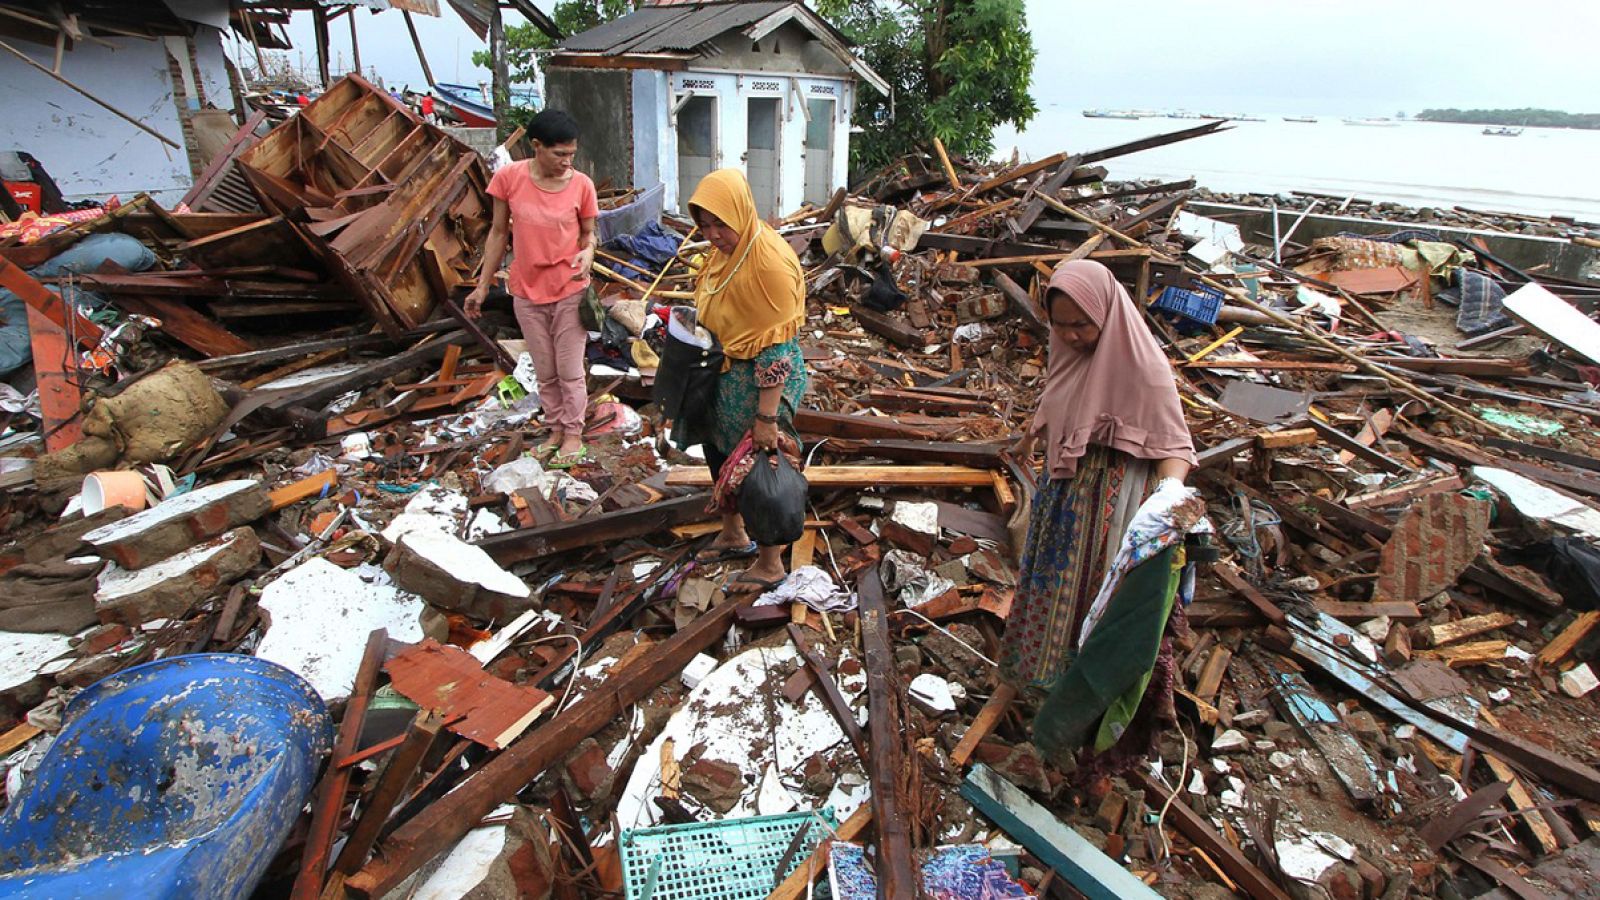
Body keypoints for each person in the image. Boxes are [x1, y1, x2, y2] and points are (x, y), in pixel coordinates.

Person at [1000, 259, 1198, 779]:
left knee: (1092, 604)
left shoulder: (1143, 368)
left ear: (1108, 315)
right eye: (1059, 324)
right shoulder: (1067, 351)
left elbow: (1174, 445)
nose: (1069, 335)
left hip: (1109, 508)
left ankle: (1079, 718)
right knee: (1049, 593)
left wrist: (1170, 494)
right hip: (1063, 502)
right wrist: (1028, 440)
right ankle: (1039, 684)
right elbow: (1059, 401)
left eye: (1081, 325)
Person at [683, 169, 808, 593]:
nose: (713, 234)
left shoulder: (767, 264)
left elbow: (776, 347)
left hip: (763, 381)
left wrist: (767, 417)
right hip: (726, 367)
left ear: (742, 212)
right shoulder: (726, 256)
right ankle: (734, 533)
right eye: (705, 225)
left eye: (721, 223)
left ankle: (771, 560)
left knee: (761, 463)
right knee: (719, 449)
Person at [466, 110, 598, 468]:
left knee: (569, 368)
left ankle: (573, 434)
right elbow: (497, 233)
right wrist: (481, 286)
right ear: (536, 147)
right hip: (526, 291)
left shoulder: (582, 185)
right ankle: (555, 430)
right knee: (545, 369)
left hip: (570, 288)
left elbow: (589, 236)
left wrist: (587, 253)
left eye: (571, 154)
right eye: (559, 154)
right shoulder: (509, 177)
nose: (567, 162)